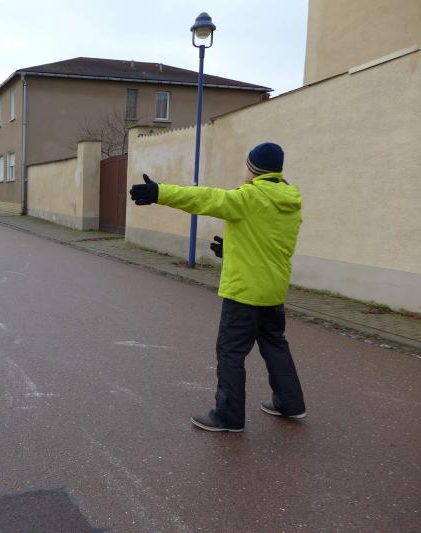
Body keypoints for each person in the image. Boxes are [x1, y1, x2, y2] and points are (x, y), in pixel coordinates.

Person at [130, 142, 306, 433]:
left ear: (254, 169)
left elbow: (205, 198)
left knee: (230, 352)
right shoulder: (291, 201)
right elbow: (271, 244)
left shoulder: (248, 196)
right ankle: (291, 403)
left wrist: (159, 192)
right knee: (275, 345)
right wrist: (233, 248)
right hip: (273, 291)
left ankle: (229, 417)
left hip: (244, 292)